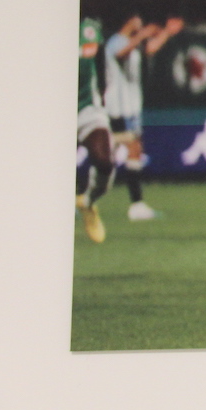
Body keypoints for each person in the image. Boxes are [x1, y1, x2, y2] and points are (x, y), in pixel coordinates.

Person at [102, 12, 184, 220]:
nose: (141, 23)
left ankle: (84, 197)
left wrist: (166, 32)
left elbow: (148, 49)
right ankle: (135, 205)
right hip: (118, 107)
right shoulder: (116, 42)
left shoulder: (132, 43)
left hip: (129, 107)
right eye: (138, 19)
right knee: (129, 150)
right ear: (128, 20)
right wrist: (143, 34)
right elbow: (120, 54)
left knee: (123, 152)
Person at [76, 17, 112, 243]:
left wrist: (103, 93)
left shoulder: (88, 29)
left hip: (86, 106)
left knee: (105, 161)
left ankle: (89, 201)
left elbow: (99, 61)